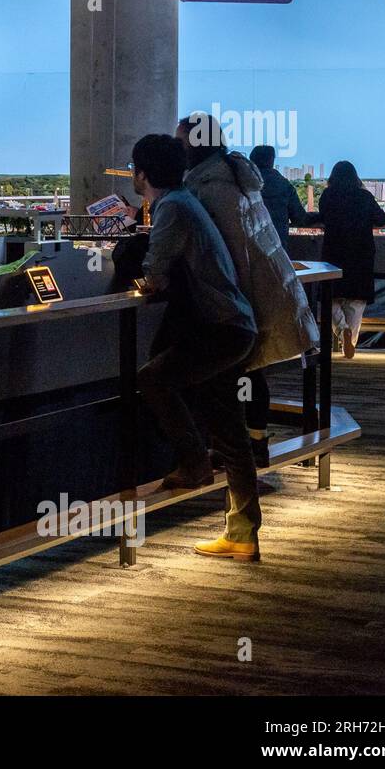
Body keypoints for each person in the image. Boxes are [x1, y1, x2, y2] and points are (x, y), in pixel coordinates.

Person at [131, 134, 262, 561]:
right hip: (234, 327)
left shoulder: (172, 206)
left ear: (143, 173)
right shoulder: (187, 201)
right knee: (230, 432)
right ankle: (242, 534)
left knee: (153, 378)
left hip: (218, 328)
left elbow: (155, 275)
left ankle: (193, 464)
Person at [177, 114, 320, 473]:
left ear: (195, 145)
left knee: (231, 372)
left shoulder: (211, 186)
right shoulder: (233, 176)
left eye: (180, 142)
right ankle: (252, 444)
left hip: (247, 292)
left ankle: (238, 451)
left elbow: (226, 248)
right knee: (249, 370)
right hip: (268, 284)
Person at [313, 160, 385, 359]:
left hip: (334, 253)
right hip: (360, 254)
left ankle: (342, 329)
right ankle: (351, 340)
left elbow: (323, 215)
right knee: (356, 301)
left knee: (330, 297)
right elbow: (382, 219)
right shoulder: (365, 197)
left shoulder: (328, 195)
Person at [249, 143, 317, 243]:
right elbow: (299, 218)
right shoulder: (284, 185)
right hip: (277, 246)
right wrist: (318, 216)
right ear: (271, 160)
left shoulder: (241, 184)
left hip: (246, 249)